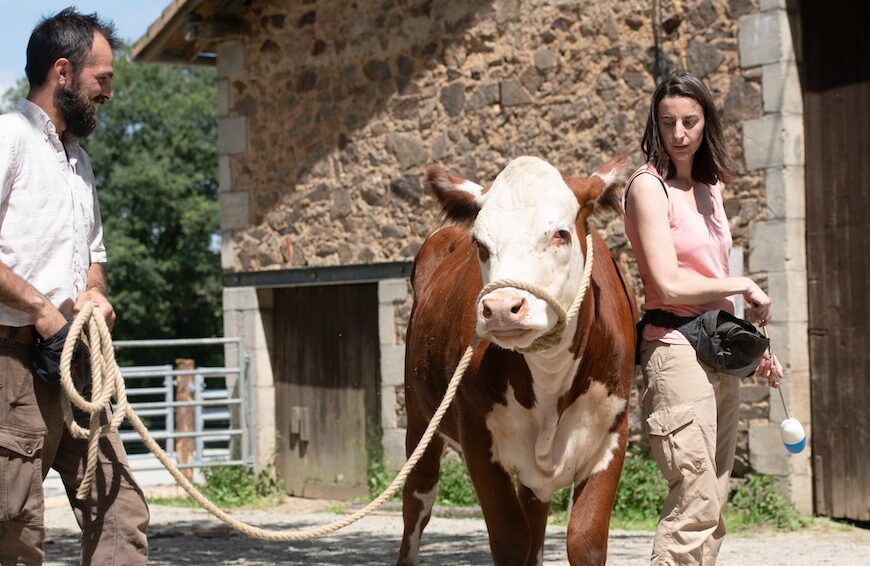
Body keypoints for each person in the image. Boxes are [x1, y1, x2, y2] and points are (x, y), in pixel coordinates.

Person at [0, 8, 148, 565]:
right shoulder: (8, 137)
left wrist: (95, 292)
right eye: (102, 79)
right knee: (13, 529)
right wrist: (40, 307)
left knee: (122, 510)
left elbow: (93, 257)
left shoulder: (78, 163)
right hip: (11, 367)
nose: (108, 93)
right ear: (63, 72)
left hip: (75, 368)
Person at [623, 71, 784, 565]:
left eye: (689, 121)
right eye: (667, 122)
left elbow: (712, 277)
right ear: (656, 123)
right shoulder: (648, 187)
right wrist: (741, 284)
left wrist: (754, 347)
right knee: (693, 496)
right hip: (672, 347)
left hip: (714, 348)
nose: (678, 133)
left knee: (713, 501)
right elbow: (669, 284)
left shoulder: (710, 188)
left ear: (705, 122)